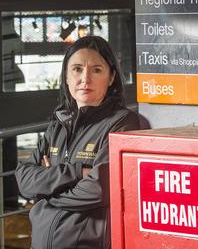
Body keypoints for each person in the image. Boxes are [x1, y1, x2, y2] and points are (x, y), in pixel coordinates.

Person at [15, 35, 139, 249]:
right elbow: (24, 180)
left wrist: (47, 191)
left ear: (111, 78)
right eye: (77, 69)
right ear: (66, 76)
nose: (85, 79)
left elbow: (98, 190)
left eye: (96, 70)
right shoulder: (59, 124)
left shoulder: (122, 123)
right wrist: (77, 172)